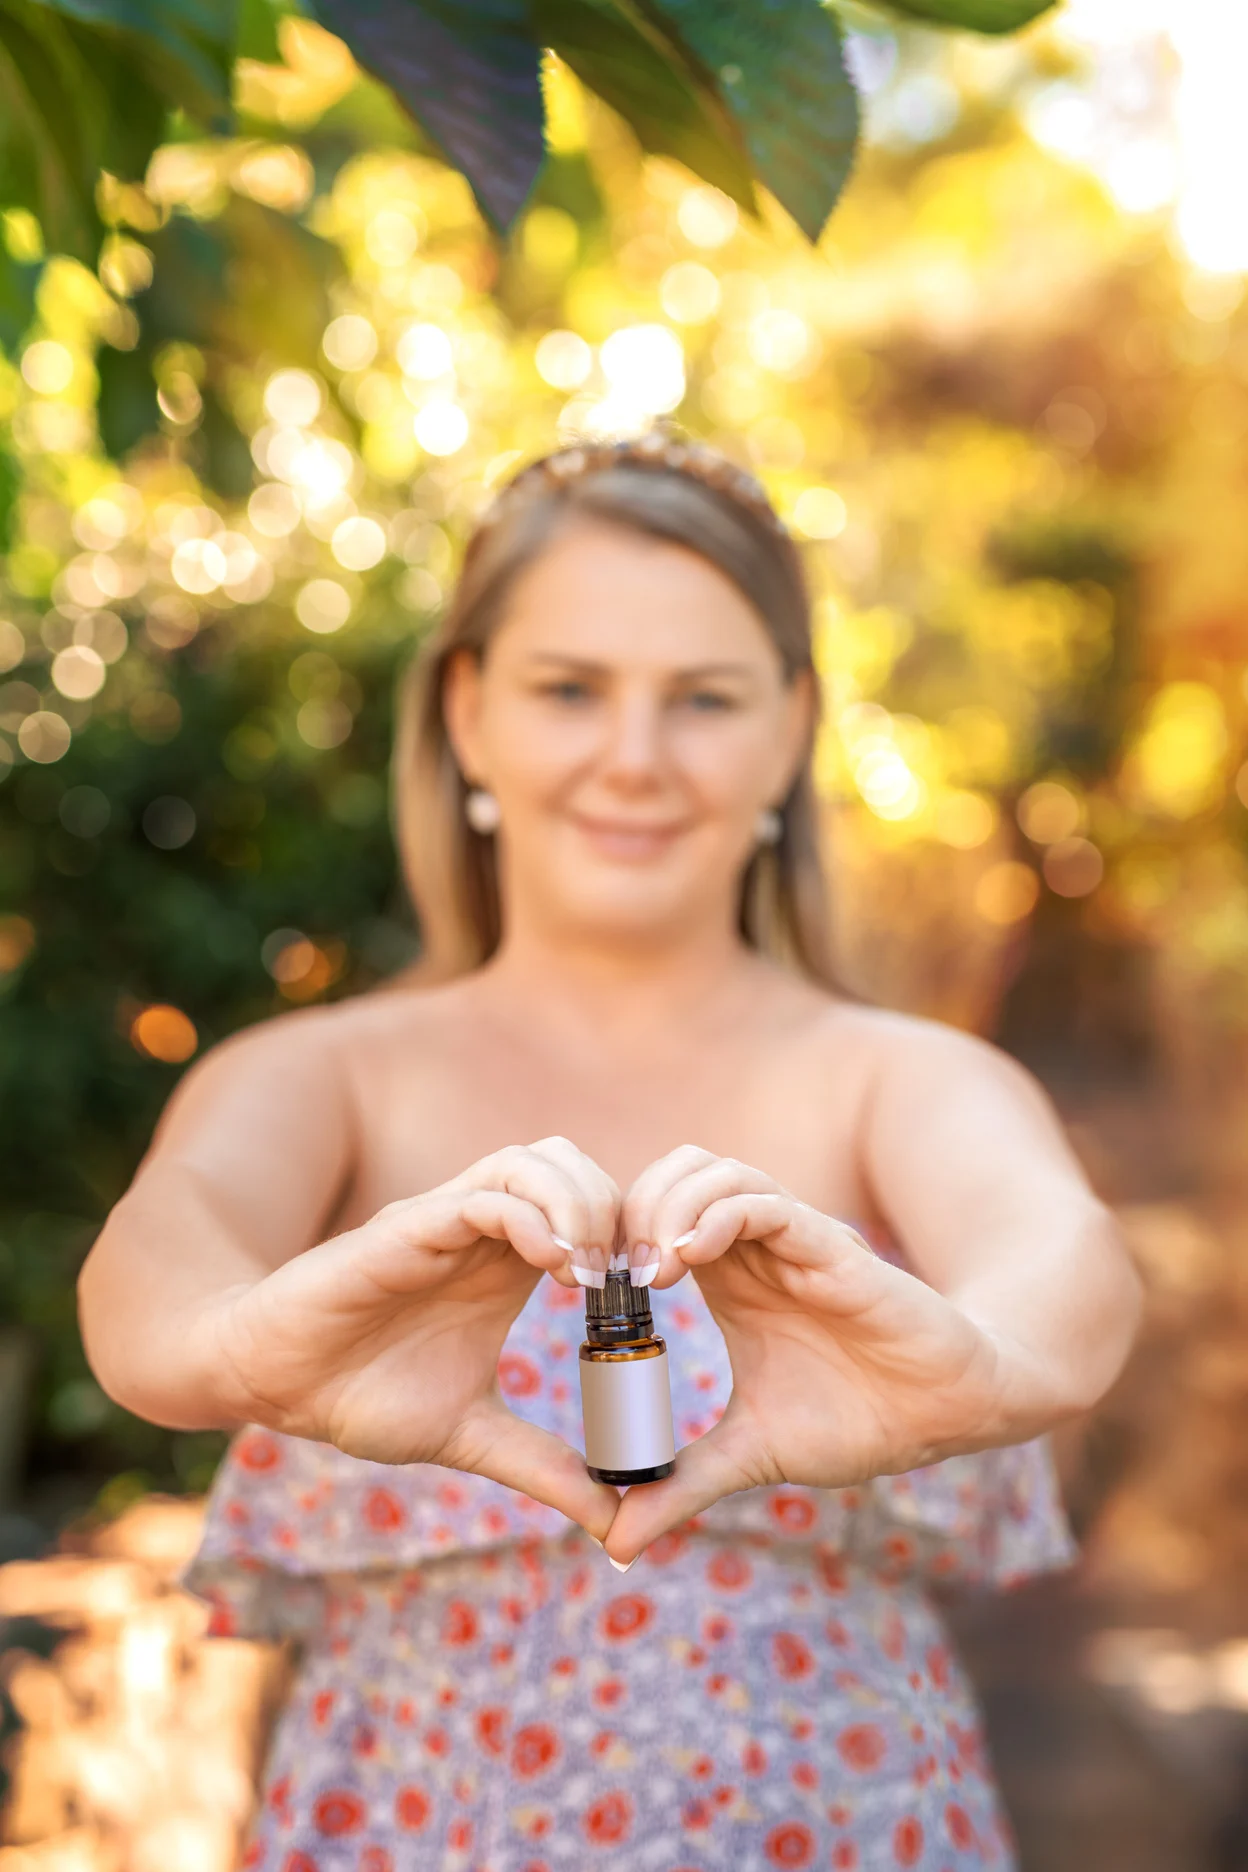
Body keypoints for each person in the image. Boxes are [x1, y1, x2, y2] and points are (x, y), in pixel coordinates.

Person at [79, 433, 1141, 1872]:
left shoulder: (901, 1083)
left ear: (788, 728)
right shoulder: (317, 1080)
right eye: (570, 688)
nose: (633, 759)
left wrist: (1005, 1365)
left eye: (702, 699)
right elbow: (159, 1258)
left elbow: (1057, 1251)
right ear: (467, 712)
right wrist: (246, 1347)